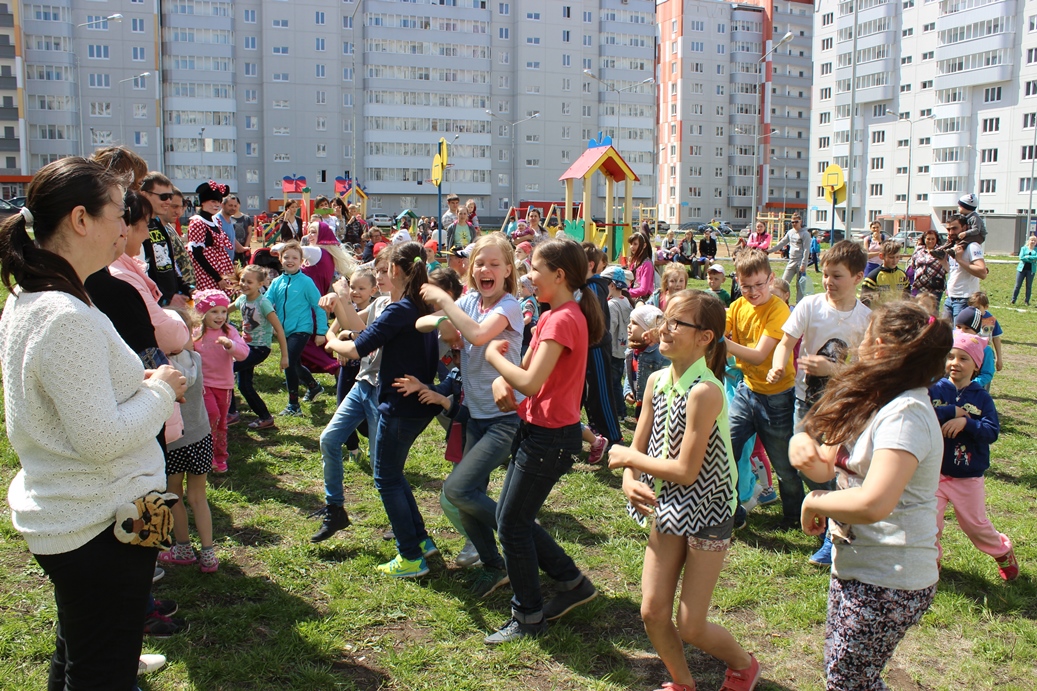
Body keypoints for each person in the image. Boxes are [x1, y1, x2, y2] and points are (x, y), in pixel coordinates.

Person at [0, 157, 186, 689]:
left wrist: (135, 385)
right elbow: (100, 438)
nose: (124, 230)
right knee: (102, 672)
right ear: (81, 220)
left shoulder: (36, 298)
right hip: (98, 527)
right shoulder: (65, 315)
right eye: (116, 215)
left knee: (80, 654)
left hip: (84, 518)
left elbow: (69, 401)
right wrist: (159, 390)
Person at [790, 302, 952, 691]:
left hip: (891, 577)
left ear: (878, 348)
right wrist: (801, 448)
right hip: (858, 564)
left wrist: (814, 502)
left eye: (864, 337)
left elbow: (875, 502)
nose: (857, 345)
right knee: (847, 676)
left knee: (847, 681)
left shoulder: (906, 414)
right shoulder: (875, 399)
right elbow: (828, 465)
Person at [609, 290, 761, 691]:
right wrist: (629, 478)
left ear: (704, 337)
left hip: (709, 511)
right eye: (666, 319)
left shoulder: (705, 392)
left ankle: (745, 665)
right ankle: (683, 683)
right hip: (670, 505)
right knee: (653, 611)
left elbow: (685, 470)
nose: (665, 328)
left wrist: (627, 459)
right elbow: (639, 446)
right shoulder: (657, 381)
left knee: (691, 625)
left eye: (678, 323)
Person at [483, 238, 602, 644]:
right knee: (513, 519)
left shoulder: (563, 319)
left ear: (559, 274)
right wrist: (504, 375)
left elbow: (529, 382)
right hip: (539, 432)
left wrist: (493, 359)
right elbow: (531, 374)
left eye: (533, 268)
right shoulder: (556, 316)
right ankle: (571, 582)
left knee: (511, 525)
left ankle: (529, 615)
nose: (528, 275)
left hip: (549, 439)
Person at [325, 242, 442, 577]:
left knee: (385, 478)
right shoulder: (420, 306)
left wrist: (331, 341)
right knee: (393, 472)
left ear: (394, 271)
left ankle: (409, 557)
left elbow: (359, 346)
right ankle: (420, 540)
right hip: (418, 403)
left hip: (399, 406)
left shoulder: (399, 309)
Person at [418, 233, 524, 597]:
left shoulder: (509, 305)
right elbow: (425, 325)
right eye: (480, 263)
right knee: (466, 499)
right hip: (476, 415)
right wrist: (446, 321)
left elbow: (478, 335)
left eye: (494, 264)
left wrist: (446, 303)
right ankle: (495, 566)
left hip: (505, 418)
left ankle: (522, 535)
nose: (486, 269)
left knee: (457, 488)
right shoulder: (470, 302)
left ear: (508, 270)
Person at [766, 241, 871, 566]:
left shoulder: (866, 318)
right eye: (825, 274)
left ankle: (832, 537)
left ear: (857, 276)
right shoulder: (810, 306)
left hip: (844, 408)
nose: (828, 281)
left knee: (838, 469)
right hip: (807, 403)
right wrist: (778, 364)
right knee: (808, 462)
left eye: (836, 276)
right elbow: (785, 343)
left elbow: (866, 368)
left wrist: (832, 369)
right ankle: (827, 513)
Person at [310, 259, 393, 543]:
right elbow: (352, 324)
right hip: (363, 384)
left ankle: (404, 522)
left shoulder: (400, 308)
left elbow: (360, 340)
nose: (381, 276)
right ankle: (335, 509)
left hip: (382, 390)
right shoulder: (380, 305)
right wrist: (341, 301)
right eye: (379, 271)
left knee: (382, 465)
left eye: (385, 272)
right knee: (329, 440)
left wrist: (335, 341)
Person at [928, 331, 1017, 580]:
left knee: (975, 525)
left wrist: (967, 424)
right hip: (934, 473)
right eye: (951, 357)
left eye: (963, 358)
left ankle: (1002, 551)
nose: (955, 363)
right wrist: (951, 411)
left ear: (977, 365)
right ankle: (929, 564)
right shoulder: (934, 391)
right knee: (928, 524)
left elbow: (991, 431)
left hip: (968, 476)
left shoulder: (982, 398)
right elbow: (924, 418)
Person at [724, 249, 795, 528]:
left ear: (771, 278)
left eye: (759, 284)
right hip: (746, 389)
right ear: (738, 283)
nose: (753, 292)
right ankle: (727, 506)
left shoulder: (779, 309)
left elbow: (758, 355)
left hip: (777, 397)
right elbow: (719, 324)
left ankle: (793, 517)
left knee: (784, 465)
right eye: (746, 286)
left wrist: (721, 341)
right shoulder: (739, 305)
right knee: (726, 448)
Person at [161, 320, 219, 574]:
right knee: (198, 496)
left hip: (173, 442)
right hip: (201, 437)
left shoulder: (159, 367)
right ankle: (208, 553)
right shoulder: (195, 358)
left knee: (174, 496)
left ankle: (183, 548)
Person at [266, 241, 329, 415]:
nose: (290, 260)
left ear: (302, 260)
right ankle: (313, 386)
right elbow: (265, 301)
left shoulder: (306, 282)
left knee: (289, 363)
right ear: (280, 259)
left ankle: (293, 405)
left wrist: (321, 332)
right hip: (283, 331)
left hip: (302, 329)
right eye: (286, 257)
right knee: (296, 364)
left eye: (295, 257)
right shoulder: (277, 282)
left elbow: (319, 306)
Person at [192, 289, 249, 474]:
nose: (220, 316)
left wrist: (230, 345)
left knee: (222, 422)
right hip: (203, 385)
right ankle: (206, 455)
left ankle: (220, 456)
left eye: (223, 311)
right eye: (214, 311)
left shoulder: (229, 331)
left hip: (224, 385)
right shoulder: (196, 333)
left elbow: (244, 354)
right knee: (212, 415)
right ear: (202, 312)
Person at [232, 264, 289, 429]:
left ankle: (231, 413)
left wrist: (284, 356)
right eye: (242, 280)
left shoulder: (263, 303)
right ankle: (265, 417)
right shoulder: (242, 300)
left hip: (260, 348)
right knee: (244, 385)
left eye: (249, 282)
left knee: (227, 370)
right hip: (245, 347)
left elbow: (279, 329)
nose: (244, 284)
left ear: (260, 284)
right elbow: (223, 309)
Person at [137, 171, 192, 308]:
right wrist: (167, 297)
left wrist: (189, 289)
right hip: (154, 302)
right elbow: (142, 270)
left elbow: (168, 266)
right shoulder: (136, 226)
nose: (168, 201)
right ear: (144, 195)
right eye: (163, 197)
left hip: (169, 301)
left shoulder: (159, 226)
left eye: (170, 196)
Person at [188, 180, 235, 295]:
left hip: (220, 269)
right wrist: (217, 277)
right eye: (213, 201)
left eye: (219, 201)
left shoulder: (215, 220)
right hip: (207, 272)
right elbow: (197, 254)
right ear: (203, 202)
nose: (217, 205)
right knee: (210, 301)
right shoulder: (197, 222)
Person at [942, 214, 988, 321]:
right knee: (945, 334)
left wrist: (960, 260)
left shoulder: (972, 246)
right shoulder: (955, 246)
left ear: (964, 228)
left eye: (954, 228)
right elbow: (953, 270)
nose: (951, 232)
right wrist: (941, 260)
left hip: (965, 298)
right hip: (950, 298)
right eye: (948, 229)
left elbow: (982, 273)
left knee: (960, 335)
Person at [602, 265, 633, 422]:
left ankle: (619, 412)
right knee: (617, 381)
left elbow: (610, 327)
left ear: (612, 286)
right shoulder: (625, 300)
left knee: (613, 383)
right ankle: (622, 411)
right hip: (623, 348)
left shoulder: (611, 305)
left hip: (613, 349)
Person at [628, 304, 668, 421]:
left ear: (648, 329)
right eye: (630, 322)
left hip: (655, 406)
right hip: (640, 402)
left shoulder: (659, 354)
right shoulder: (633, 351)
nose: (629, 326)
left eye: (635, 323)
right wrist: (628, 390)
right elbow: (631, 374)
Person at [769, 214, 811, 303]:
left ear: (801, 222)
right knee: (783, 282)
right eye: (792, 222)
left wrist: (804, 263)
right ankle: (781, 301)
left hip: (800, 262)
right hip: (792, 261)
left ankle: (799, 304)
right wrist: (769, 251)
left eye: (796, 222)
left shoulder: (805, 234)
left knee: (799, 285)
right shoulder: (790, 232)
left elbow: (807, 250)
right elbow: (781, 243)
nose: (794, 224)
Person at [953, 307, 997, 390]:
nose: (961, 331)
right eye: (958, 327)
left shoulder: (985, 350)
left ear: (976, 330)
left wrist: (972, 384)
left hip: (973, 392)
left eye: (967, 328)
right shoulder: (951, 344)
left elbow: (987, 373)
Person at [860, 240, 909, 308]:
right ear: (881, 256)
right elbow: (864, 302)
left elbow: (907, 298)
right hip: (879, 315)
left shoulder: (903, 275)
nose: (895, 260)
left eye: (897, 257)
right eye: (891, 257)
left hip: (897, 315)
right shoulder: (873, 277)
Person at [907, 229, 949, 303]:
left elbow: (947, 267)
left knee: (933, 309)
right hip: (920, 285)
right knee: (920, 309)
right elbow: (913, 265)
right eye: (928, 239)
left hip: (935, 286)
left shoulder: (941, 251)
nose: (930, 241)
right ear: (924, 239)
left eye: (933, 239)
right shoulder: (919, 250)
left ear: (936, 239)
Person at [225, 195, 253, 265]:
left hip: (245, 248)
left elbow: (250, 233)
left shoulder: (246, 218)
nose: (234, 207)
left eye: (236, 204)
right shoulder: (229, 219)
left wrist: (245, 246)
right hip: (233, 249)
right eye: (231, 205)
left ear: (239, 205)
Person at [628, 231, 655, 303]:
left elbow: (644, 290)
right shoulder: (634, 261)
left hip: (644, 299)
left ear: (644, 245)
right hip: (633, 296)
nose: (632, 247)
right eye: (631, 244)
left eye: (635, 244)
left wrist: (627, 292)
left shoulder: (647, 264)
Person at [1011, 234, 1037, 306]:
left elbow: (1036, 257)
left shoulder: (1036, 250)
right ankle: (1013, 300)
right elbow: (1021, 257)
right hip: (1021, 270)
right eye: (1032, 240)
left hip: (1031, 270)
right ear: (1029, 241)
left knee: (1029, 286)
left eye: (1034, 241)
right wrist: (1032, 259)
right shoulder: (1023, 248)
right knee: (1017, 285)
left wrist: (1028, 257)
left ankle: (1027, 301)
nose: (1033, 242)